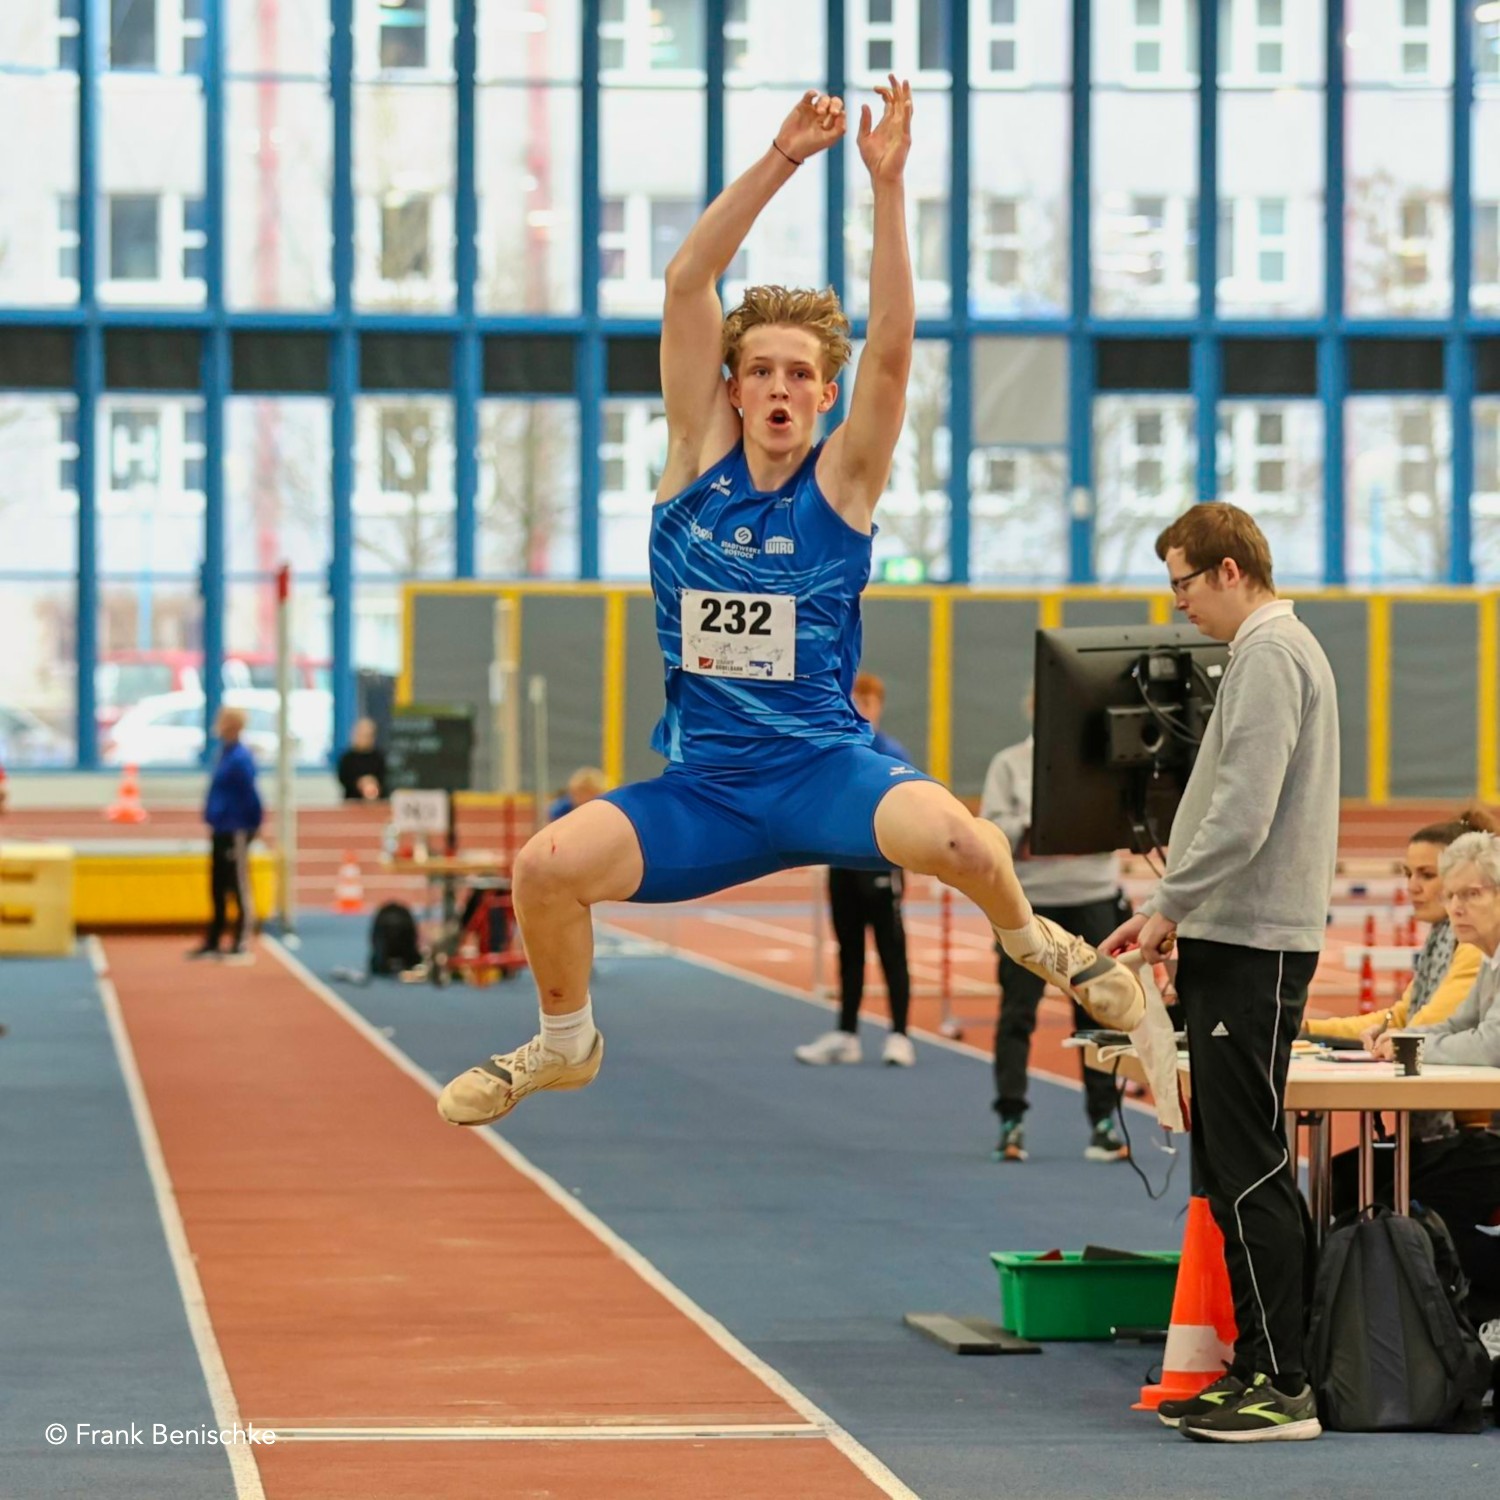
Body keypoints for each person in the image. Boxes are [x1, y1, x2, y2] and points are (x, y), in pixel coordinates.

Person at [436, 81, 1143, 1133]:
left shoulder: (843, 484)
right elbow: (688, 279)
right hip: (708, 790)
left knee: (965, 845)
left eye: (798, 374)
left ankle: (1039, 942)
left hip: (824, 770)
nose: (777, 387)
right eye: (758, 369)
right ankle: (564, 1042)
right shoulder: (693, 468)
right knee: (543, 867)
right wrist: (782, 156)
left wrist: (888, 187)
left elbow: (893, 347)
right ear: (730, 387)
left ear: (824, 395)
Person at [1102, 501, 1339, 1444]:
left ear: (1230, 570)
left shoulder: (1274, 655)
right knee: (1233, 1165)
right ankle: (1256, 1369)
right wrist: (1173, 915)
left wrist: (1168, 907)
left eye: (1184, 584)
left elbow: (1242, 815)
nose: (1178, 604)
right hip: (1232, 934)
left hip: (1253, 941)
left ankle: (1285, 1386)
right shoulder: (1261, 654)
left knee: (1250, 1167)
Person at [1352, 829, 1500, 1337]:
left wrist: (1408, 1048)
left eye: (1472, 894)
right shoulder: (1490, 960)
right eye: (1452, 894)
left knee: (1396, 1196)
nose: (1456, 907)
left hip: (1491, 1142)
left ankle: (1453, 1323)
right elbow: (1458, 1026)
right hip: (1487, 1139)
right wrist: (1399, 1038)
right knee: (1367, 1180)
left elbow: (1489, 1046)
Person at [982, 690, 1132, 1163]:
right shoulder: (1009, 764)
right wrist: (1039, 828)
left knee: (1100, 1016)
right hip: (1028, 908)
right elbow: (992, 833)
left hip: (1093, 899)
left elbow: (1121, 825)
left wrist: (1064, 832)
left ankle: (1104, 1123)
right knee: (1017, 1014)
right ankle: (1011, 1120)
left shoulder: (1102, 764)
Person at [795, 671, 916, 1067]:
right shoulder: (835, 751)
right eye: (855, 702)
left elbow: (909, 805)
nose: (861, 709)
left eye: (868, 703)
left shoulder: (891, 754)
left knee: (891, 950)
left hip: (879, 864)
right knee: (849, 950)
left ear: (878, 707)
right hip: (841, 862)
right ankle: (847, 1033)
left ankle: (899, 1034)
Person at [1306, 808, 1491, 1048]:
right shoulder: (1440, 941)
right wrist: (1309, 1029)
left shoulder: (1475, 945)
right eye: (1408, 874)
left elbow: (1429, 1026)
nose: (1412, 887)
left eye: (1427, 875)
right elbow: (1401, 1018)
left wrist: (1392, 1040)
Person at [188, 706, 263, 964]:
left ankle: (241, 940)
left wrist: (252, 825)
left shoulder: (241, 758)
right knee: (217, 885)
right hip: (220, 827)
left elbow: (250, 795)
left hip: (236, 828)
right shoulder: (223, 753)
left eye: (223, 721)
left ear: (234, 725)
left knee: (237, 884)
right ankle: (214, 939)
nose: (217, 725)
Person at [336, 717, 387, 802]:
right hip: (352, 802)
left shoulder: (378, 757)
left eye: (367, 735)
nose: (363, 738)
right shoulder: (347, 758)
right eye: (360, 734)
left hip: (375, 803)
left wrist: (372, 782)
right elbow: (343, 779)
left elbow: (384, 779)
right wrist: (359, 783)